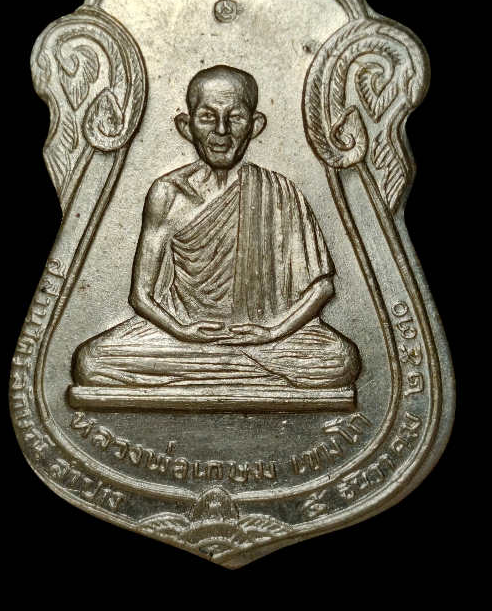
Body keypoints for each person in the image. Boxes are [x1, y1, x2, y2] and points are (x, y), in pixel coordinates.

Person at [73, 65, 360, 390]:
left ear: (255, 125)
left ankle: (210, 372)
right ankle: (242, 374)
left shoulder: (279, 191)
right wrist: (182, 331)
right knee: (90, 361)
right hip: (182, 334)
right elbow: (141, 296)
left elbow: (322, 288)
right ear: (186, 126)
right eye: (208, 117)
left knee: (342, 359)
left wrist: (272, 332)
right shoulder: (168, 194)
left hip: (267, 339)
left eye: (235, 117)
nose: (221, 131)